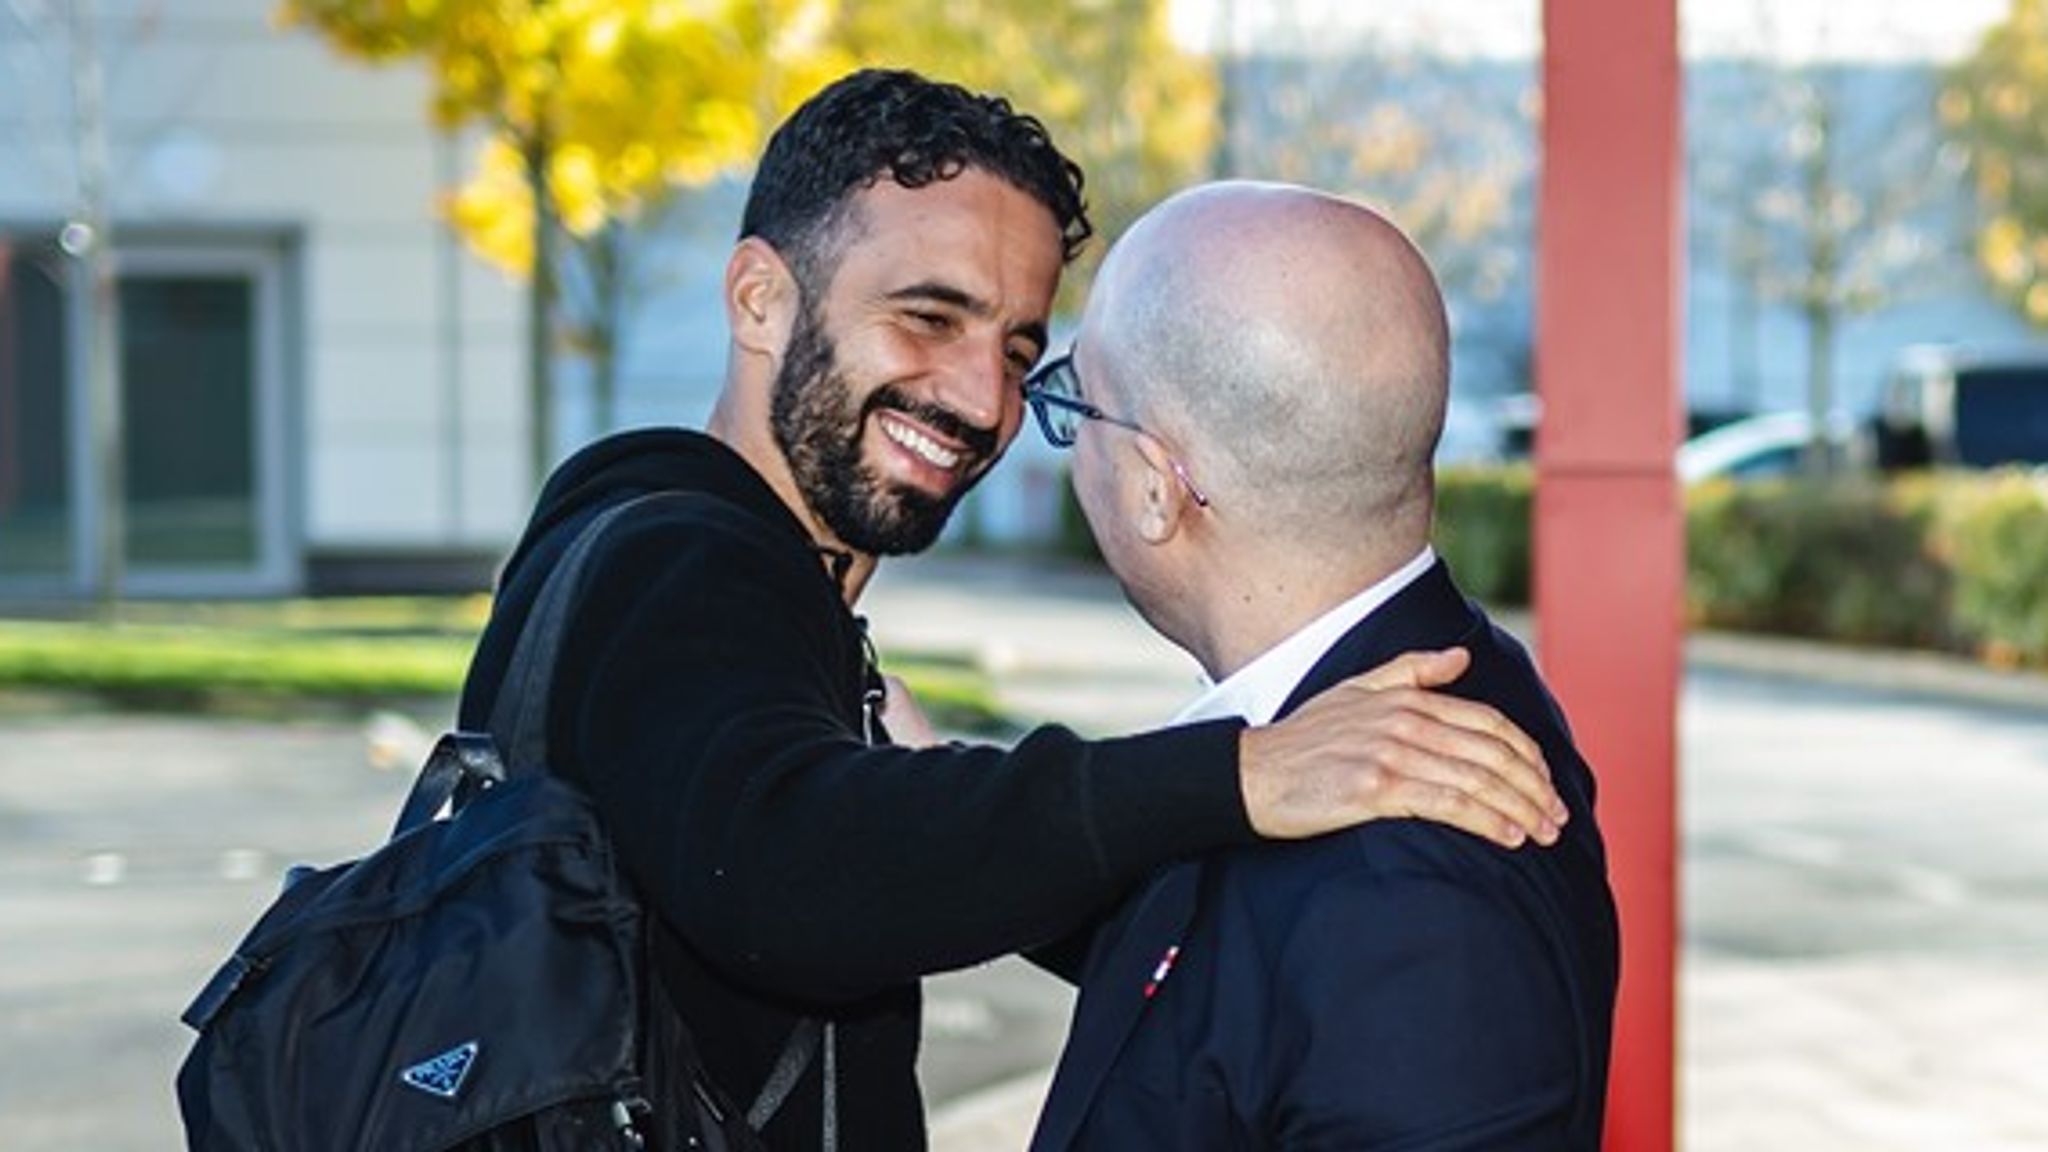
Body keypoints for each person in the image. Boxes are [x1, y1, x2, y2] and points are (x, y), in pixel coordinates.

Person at [457, 71, 1569, 1151]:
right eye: (928, 317)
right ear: (759, 298)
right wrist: (1239, 772)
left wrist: (940, 789)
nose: (982, 397)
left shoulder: (753, 588)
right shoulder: (674, 561)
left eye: (1021, 352)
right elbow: (782, 870)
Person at [1025, 182, 1620, 1150]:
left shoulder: (1408, 897)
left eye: (1074, 402)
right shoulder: (1427, 686)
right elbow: (1227, 980)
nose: (1071, 444)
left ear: (1154, 487)